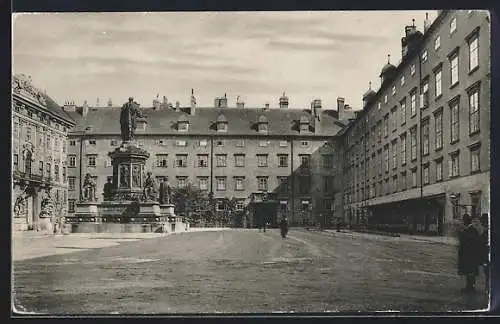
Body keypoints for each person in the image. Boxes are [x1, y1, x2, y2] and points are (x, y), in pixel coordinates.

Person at [457, 213, 482, 294]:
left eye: (463, 220)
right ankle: (469, 287)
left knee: (470, 272)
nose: (463, 222)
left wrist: (461, 234)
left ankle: (470, 288)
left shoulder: (472, 230)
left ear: (466, 221)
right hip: (468, 255)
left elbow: (468, 242)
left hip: (470, 255)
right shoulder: (469, 229)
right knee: (468, 272)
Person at [480, 213, 490, 294]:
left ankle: (488, 289)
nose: (481, 223)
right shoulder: (486, 231)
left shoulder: (487, 232)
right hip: (486, 257)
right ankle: (487, 288)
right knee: (487, 273)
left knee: (488, 273)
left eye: (483, 221)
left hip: (488, 257)